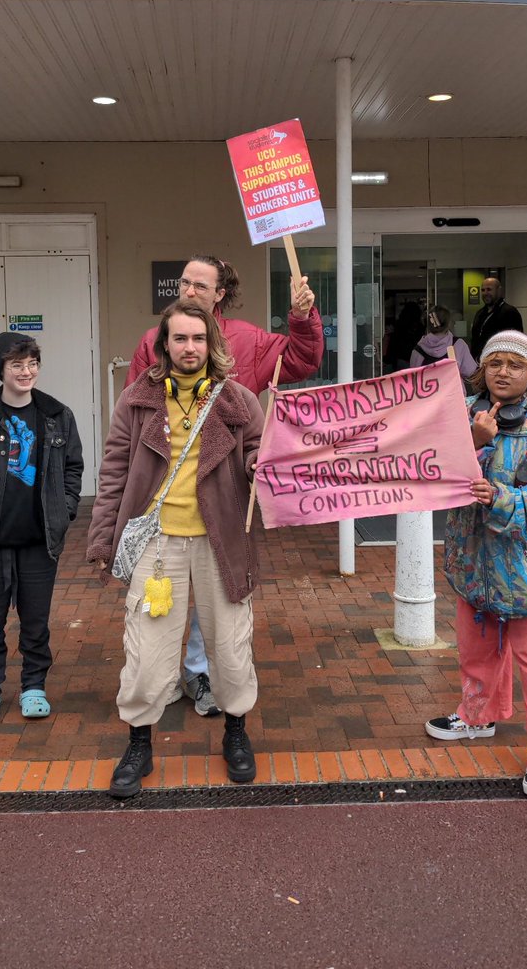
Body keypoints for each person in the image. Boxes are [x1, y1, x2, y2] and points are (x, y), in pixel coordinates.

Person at [126, 253, 324, 717]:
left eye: (201, 285)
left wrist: (301, 317)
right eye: (185, 283)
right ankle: (161, 675)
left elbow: (301, 359)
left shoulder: (249, 340)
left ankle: (201, 670)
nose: (189, 290)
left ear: (221, 294)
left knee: (218, 593)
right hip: (167, 494)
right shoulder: (155, 341)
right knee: (164, 591)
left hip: (223, 492)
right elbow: (136, 415)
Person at [88, 301, 264, 798]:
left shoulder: (239, 400)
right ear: (164, 344)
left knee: (229, 645)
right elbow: (114, 474)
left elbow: (259, 451)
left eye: (198, 339)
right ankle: (139, 743)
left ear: (212, 344)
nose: (190, 348)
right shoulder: (137, 400)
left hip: (223, 541)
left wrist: (257, 465)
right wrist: (103, 537)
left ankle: (235, 733)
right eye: (180, 339)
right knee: (146, 652)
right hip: (156, 543)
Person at [425, 331, 527, 799]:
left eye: (514, 364)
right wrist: (473, 438)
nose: (503, 372)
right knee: (477, 649)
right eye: (494, 363)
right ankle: (477, 716)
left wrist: (502, 497)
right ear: (481, 369)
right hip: (475, 562)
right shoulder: (464, 413)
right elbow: (434, 467)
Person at [0, 333, 83, 726]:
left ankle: (33, 685)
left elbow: (73, 468)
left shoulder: (58, 415)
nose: (27, 372)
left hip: (39, 541)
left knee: (35, 623)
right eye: (17, 365)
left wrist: (65, 509)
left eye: (32, 363)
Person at [409, 305, 477, 392]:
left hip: (428, 401)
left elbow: (414, 380)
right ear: (449, 323)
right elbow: (470, 372)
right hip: (453, 399)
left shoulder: (418, 350)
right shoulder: (458, 345)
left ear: (429, 324)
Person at [470, 277, 523, 360]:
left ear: (499, 290)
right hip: (478, 363)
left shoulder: (509, 312)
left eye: (489, 289)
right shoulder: (480, 313)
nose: (485, 293)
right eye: (483, 290)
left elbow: (515, 342)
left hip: (499, 362)